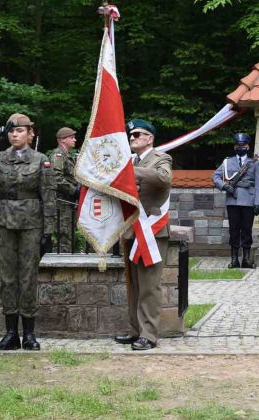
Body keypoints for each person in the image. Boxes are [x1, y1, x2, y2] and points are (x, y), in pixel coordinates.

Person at [0, 113, 56, 351]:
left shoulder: (41, 160)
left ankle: (30, 334)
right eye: (11, 131)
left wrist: (50, 230)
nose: (14, 135)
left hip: (31, 223)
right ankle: (11, 333)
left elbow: (49, 196)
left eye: (20, 131)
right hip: (5, 221)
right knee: (7, 278)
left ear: (30, 133)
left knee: (28, 278)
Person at [114, 119, 172, 351]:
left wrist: (131, 171)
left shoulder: (161, 158)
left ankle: (149, 335)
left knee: (149, 286)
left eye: (138, 134)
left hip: (152, 230)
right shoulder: (128, 160)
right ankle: (136, 330)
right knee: (134, 285)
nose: (132, 138)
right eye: (131, 135)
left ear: (150, 138)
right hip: (130, 229)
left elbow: (164, 178)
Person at [212, 133, 259, 268]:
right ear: (235, 147)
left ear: (248, 146)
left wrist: (258, 202)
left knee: (246, 230)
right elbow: (215, 177)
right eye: (238, 145)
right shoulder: (227, 161)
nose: (241, 147)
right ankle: (234, 259)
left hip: (249, 200)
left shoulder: (254, 163)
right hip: (232, 200)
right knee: (234, 230)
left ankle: (246, 259)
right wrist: (224, 186)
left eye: (243, 145)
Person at [50, 126, 80, 253]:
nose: (75, 140)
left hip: (68, 202)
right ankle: (60, 265)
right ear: (62, 140)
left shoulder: (68, 156)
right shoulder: (58, 155)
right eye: (71, 137)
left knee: (69, 235)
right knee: (63, 237)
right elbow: (56, 178)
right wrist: (74, 191)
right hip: (61, 203)